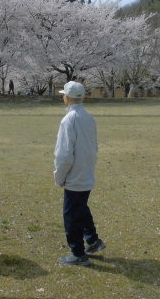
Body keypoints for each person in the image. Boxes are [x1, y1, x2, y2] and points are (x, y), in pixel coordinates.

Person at [53, 81, 106, 266]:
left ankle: (78, 253)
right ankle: (92, 240)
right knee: (81, 207)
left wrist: (59, 176)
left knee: (71, 215)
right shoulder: (88, 117)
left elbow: (64, 154)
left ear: (66, 98)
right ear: (82, 97)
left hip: (75, 174)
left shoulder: (69, 120)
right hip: (86, 171)